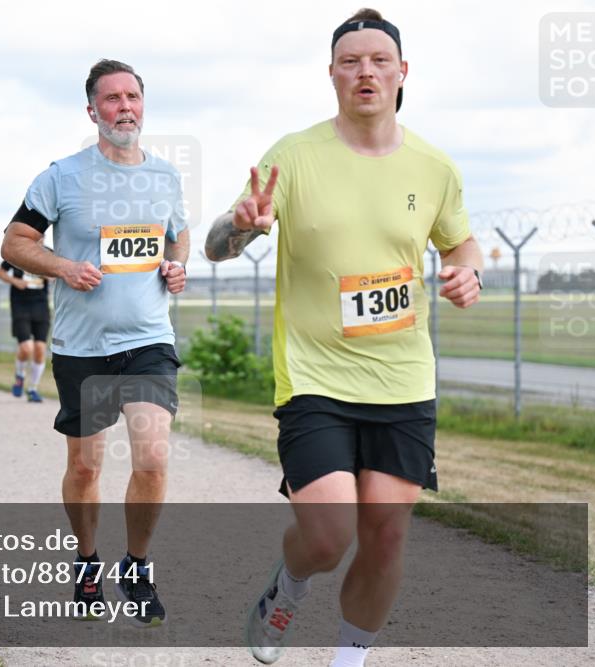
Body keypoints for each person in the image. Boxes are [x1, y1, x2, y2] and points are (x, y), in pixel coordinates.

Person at [203, 9, 485, 665]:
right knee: (328, 535)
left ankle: (349, 659)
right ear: (331, 74)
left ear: (402, 73)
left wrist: (467, 268)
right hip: (315, 377)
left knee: (386, 535)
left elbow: (461, 239)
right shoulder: (294, 156)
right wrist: (244, 223)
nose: (366, 71)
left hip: (403, 380)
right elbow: (219, 243)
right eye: (351, 61)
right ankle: (289, 584)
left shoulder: (435, 166)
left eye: (379, 60)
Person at [0, 59, 189, 626]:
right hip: (82, 348)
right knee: (86, 468)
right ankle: (86, 560)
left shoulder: (166, 177)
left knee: (153, 455)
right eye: (112, 99)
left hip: (149, 337)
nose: (124, 107)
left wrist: (176, 268)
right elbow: (14, 242)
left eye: (132, 96)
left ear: (142, 105)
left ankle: (135, 566)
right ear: (93, 111)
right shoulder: (61, 176)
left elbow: (177, 240)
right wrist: (61, 266)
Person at [0, 254, 51, 402]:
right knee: (26, 347)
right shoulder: (17, 250)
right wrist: (15, 281)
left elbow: (55, 275)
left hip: (41, 306)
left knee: (40, 349)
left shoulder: (48, 252)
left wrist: (45, 272)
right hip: (20, 306)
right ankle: (20, 375)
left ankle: (33, 388)